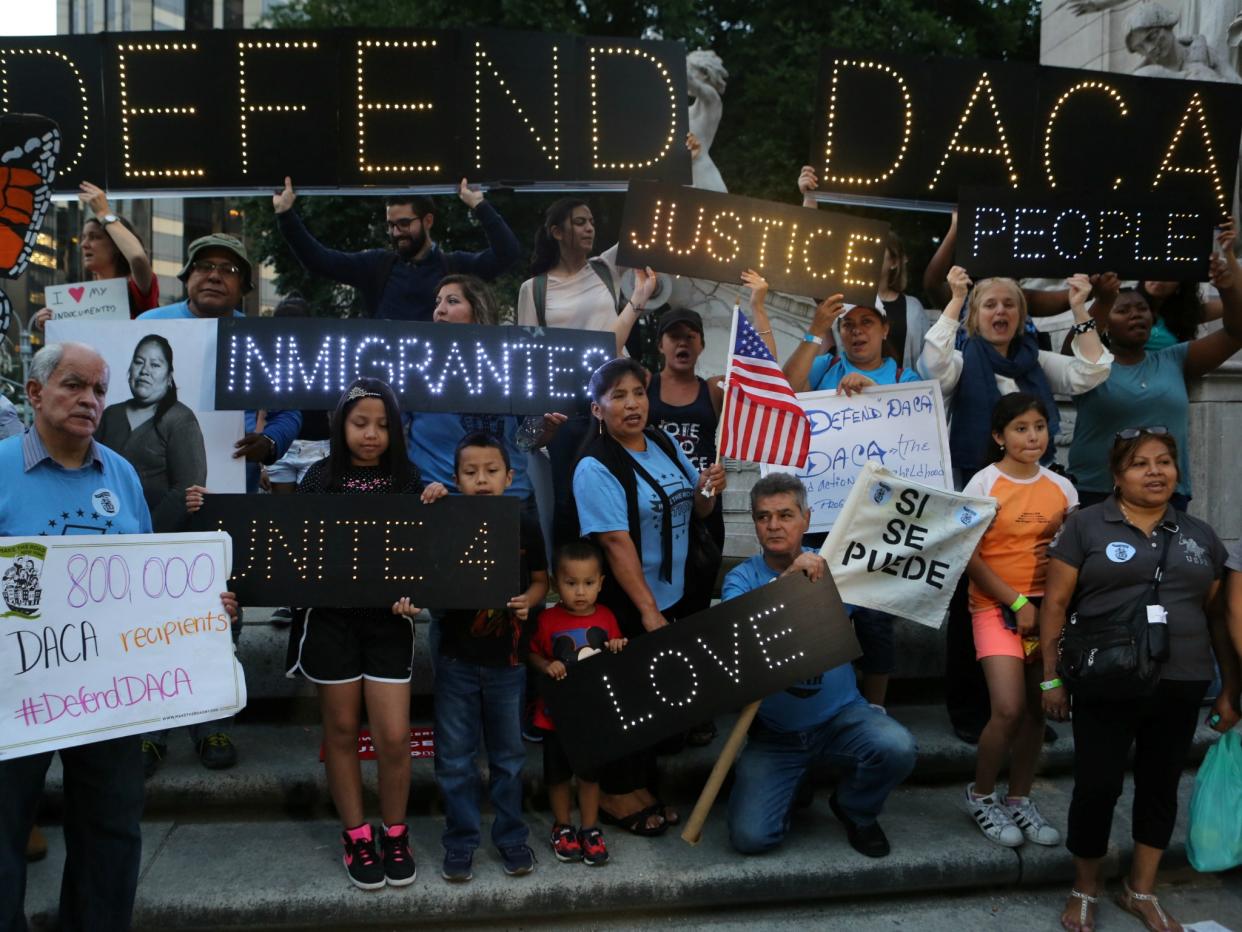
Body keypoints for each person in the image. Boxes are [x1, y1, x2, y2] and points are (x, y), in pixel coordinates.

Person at [0, 342, 236, 931]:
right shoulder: (1, 468)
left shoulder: (122, 474)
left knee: (110, 833)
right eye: (74, 385)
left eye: (99, 390)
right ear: (34, 393)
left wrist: (204, 606)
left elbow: (143, 582)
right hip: (12, 696)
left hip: (106, 695)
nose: (90, 399)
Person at [194, 378, 440, 890]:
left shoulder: (410, 481)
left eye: (381, 425)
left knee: (394, 737)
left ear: (395, 430)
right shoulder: (316, 479)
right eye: (359, 423)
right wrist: (213, 510)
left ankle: (395, 832)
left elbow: (428, 558)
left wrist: (437, 509)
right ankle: (355, 835)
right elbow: (283, 547)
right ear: (339, 426)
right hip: (328, 623)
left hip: (387, 624)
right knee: (343, 733)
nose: (370, 435)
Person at [1040, 429, 1240, 932]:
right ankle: (1085, 886)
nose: (1155, 472)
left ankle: (1140, 889)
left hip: (1182, 680)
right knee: (1097, 786)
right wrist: (1050, 679)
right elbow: (1056, 606)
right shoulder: (1085, 526)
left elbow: (1216, 616)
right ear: (1116, 476)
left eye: (1165, 462)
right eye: (1140, 464)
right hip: (1106, 681)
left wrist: (1230, 688)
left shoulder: (1200, 535)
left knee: (1161, 786)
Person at [725, 472, 917, 858]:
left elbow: (893, 583)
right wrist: (787, 585)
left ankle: (855, 809)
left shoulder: (836, 567)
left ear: (807, 519)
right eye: (764, 517)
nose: (774, 525)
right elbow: (739, 640)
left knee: (898, 746)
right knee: (751, 838)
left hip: (841, 718)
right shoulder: (740, 579)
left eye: (785, 514)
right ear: (755, 523)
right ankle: (792, 783)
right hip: (776, 734)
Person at [572, 357, 727, 833]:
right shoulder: (594, 467)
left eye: (638, 392)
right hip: (631, 603)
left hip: (676, 593)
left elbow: (697, 506)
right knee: (628, 700)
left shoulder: (660, 440)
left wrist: (709, 488)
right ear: (597, 409)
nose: (632, 403)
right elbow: (616, 544)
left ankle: (638, 785)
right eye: (617, 396)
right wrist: (649, 613)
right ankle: (618, 796)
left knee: (652, 703)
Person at [960, 394, 1075, 849]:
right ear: (998, 436)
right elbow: (968, 556)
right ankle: (981, 794)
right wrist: (1016, 602)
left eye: (1040, 427)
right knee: (1007, 709)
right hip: (995, 607)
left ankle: (1019, 797)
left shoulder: (1063, 487)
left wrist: (1047, 607)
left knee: (1035, 711)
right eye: (1021, 428)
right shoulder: (983, 484)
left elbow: (1069, 552)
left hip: (1049, 611)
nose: (1033, 437)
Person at [434, 432, 548, 883]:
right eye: (470, 472)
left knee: (508, 756)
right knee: (455, 758)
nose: (482, 480)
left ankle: (511, 836)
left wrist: (529, 599)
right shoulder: (445, 517)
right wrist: (433, 500)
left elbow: (542, 580)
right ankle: (460, 839)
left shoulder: (523, 521)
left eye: (492, 471)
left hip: (509, 663)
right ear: (455, 478)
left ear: (510, 476)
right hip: (456, 661)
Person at [516, 198, 658, 547]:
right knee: (571, 500)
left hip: (617, 401)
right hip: (569, 411)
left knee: (628, 491)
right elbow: (529, 359)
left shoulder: (605, 268)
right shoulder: (533, 289)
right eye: (579, 222)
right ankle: (573, 584)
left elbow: (646, 223)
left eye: (592, 221)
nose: (590, 228)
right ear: (556, 232)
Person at [1069, 237, 1242, 512]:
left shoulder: (1175, 358)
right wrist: (1103, 299)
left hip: (1165, 496)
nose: (1135, 315)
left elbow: (1236, 332)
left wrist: (1228, 287)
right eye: (1123, 310)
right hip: (1096, 495)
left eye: (1142, 309)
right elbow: (1074, 344)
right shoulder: (1088, 364)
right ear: (1106, 323)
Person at [137, 233, 301, 493]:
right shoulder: (147, 325)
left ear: (244, 287)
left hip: (232, 492)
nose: (214, 276)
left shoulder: (261, 339)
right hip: (152, 491)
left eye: (229, 270)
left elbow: (287, 413)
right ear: (187, 275)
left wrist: (269, 443)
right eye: (204, 266)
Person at [925, 270, 1112, 483]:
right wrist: (957, 299)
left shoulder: (1035, 360)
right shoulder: (961, 362)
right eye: (989, 305)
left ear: (1021, 316)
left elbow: (1091, 372)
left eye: (1009, 304)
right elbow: (933, 366)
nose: (1000, 310)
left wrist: (1079, 309)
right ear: (975, 317)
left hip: (1032, 484)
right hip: (976, 485)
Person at [273, 177, 520, 321]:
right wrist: (285, 214)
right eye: (391, 225)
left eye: (404, 224)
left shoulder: (457, 267)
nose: (396, 233)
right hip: (386, 389)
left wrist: (479, 205)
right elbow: (319, 260)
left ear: (428, 221)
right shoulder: (376, 266)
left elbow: (507, 253)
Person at [527, 539, 627, 867]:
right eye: (571, 584)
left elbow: (615, 652)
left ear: (600, 583)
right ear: (557, 583)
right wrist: (546, 665)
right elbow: (531, 653)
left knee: (589, 776)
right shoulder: (547, 621)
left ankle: (589, 828)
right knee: (557, 776)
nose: (580, 592)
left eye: (587, 583)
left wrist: (616, 646)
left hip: (592, 716)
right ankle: (562, 825)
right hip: (555, 716)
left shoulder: (608, 616)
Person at [798, 167, 930, 371]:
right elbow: (812, 256)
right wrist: (810, 197)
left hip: (898, 397)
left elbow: (925, 365)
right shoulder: (842, 298)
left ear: (894, 262)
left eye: (877, 250)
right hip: (848, 393)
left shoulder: (913, 309)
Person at [95, 334, 206, 533]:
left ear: (169, 376)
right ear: (130, 370)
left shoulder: (180, 419)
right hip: (104, 528)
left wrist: (144, 533)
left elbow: (186, 490)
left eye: (155, 365)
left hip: (158, 536)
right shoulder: (110, 415)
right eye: (139, 362)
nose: (145, 371)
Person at [31, 181, 158, 328]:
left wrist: (103, 213)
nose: (84, 244)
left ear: (117, 245)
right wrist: (51, 326)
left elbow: (137, 257)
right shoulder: (75, 305)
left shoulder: (138, 290)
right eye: (83, 237)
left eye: (94, 237)